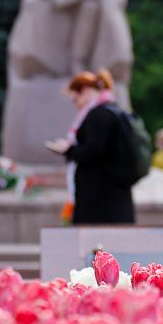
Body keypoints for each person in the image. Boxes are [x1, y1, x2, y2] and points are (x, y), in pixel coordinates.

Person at [45, 69, 135, 225]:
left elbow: (94, 150)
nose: (76, 105)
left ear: (85, 92)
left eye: (75, 99)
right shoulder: (111, 110)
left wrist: (68, 150)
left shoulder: (98, 115)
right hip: (112, 196)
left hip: (99, 197)